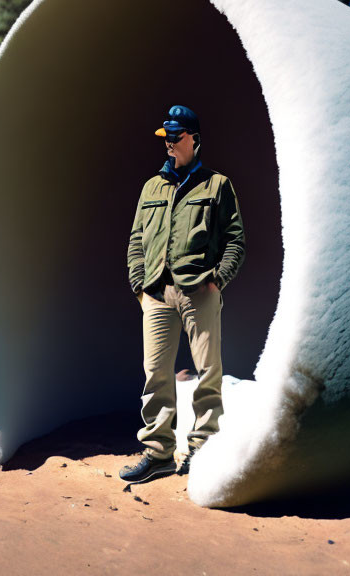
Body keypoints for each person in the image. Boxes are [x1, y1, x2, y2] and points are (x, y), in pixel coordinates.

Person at [120, 105, 245, 484]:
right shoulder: (151, 187)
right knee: (156, 374)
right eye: (165, 138)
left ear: (193, 138)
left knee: (208, 372)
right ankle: (158, 453)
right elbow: (136, 240)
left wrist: (218, 279)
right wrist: (140, 285)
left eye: (175, 137)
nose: (169, 144)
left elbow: (235, 239)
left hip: (199, 292)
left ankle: (203, 450)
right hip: (156, 293)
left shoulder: (217, 185)